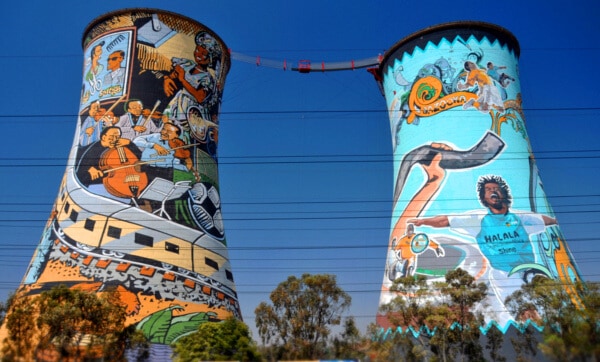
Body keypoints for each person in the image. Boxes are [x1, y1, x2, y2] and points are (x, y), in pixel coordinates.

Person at [408, 174, 557, 325]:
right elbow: (446, 220)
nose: (493, 191)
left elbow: (544, 220)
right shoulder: (478, 220)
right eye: (488, 190)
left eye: (496, 189)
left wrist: (557, 220)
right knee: (525, 313)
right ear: (484, 198)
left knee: (550, 309)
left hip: (530, 271)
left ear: (504, 193)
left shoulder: (520, 217)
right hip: (504, 274)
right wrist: (423, 221)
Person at [76, 126, 144, 201]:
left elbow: (138, 157)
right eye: (112, 137)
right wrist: (88, 168)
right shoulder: (94, 148)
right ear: (104, 137)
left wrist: (130, 144)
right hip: (97, 185)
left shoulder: (119, 146)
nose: (115, 140)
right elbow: (79, 162)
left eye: (117, 137)